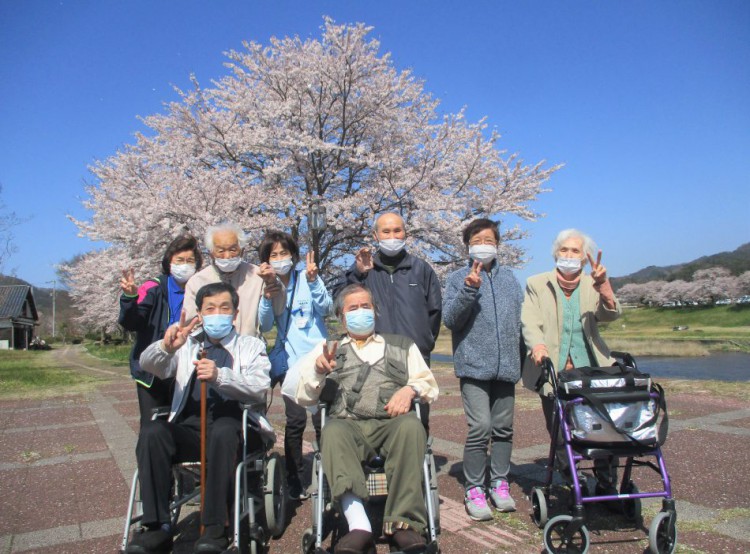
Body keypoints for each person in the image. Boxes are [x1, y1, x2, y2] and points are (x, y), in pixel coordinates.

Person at [292, 283, 439, 554]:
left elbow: (429, 384)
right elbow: (304, 397)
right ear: (341, 316)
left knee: (412, 426)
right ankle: (359, 526)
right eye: (353, 308)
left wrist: (410, 389)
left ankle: (403, 526)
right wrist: (317, 371)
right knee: (332, 431)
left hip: (391, 423)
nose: (361, 312)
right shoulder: (328, 349)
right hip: (348, 425)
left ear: (375, 310)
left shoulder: (402, 345)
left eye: (366, 306)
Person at [126, 282, 271, 554]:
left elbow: (259, 385)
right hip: (191, 429)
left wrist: (220, 376)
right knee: (153, 432)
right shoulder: (188, 344)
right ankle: (157, 526)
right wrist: (166, 347)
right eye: (210, 308)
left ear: (235, 314)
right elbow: (149, 365)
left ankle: (216, 527)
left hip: (237, 428)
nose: (218, 314)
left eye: (224, 308)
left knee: (223, 431)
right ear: (201, 315)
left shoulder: (251, 345)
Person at [521, 228, 622, 497]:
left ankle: (606, 482)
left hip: (592, 369)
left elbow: (609, 315)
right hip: (552, 370)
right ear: (556, 253)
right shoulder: (536, 282)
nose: (568, 255)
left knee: (605, 426)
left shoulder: (592, 283)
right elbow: (530, 321)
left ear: (585, 257)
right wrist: (537, 345)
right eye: (564, 250)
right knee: (559, 428)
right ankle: (571, 480)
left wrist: (604, 286)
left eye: (575, 251)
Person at [442, 218, 523, 521]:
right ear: (467, 245)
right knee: (480, 428)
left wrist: (525, 360)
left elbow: (519, 322)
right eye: (477, 240)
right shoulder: (456, 278)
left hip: (507, 367)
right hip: (473, 366)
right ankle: (474, 488)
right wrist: (468, 290)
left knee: (503, 429)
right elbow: (450, 320)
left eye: (489, 240)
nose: (484, 245)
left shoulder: (511, 280)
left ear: (498, 245)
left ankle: (499, 483)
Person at [343, 212, 442, 429]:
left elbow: (435, 312)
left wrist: (424, 341)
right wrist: (357, 273)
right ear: (375, 235)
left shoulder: (421, 269)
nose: (392, 236)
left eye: (397, 230)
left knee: (417, 417)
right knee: (376, 414)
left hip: (415, 355)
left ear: (405, 233)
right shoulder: (365, 271)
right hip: (375, 355)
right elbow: (342, 304)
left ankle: (416, 459)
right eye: (386, 231)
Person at [257, 230, 332, 500]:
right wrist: (267, 296)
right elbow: (265, 325)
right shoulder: (270, 286)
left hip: (319, 359)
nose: (279, 259)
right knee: (296, 421)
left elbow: (327, 308)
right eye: (273, 255)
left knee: (324, 420)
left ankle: (331, 472)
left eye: (284, 253)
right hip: (291, 363)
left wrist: (314, 281)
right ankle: (294, 478)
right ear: (265, 261)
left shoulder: (307, 278)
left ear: (293, 255)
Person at [119, 235, 203, 424]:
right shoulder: (153, 288)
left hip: (188, 368)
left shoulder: (201, 289)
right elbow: (132, 322)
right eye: (179, 260)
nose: (185, 265)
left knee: (184, 424)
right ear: (169, 262)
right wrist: (129, 298)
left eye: (190, 260)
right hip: (153, 370)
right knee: (153, 426)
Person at [183, 222, 286, 336]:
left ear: (242, 251)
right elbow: (191, 323)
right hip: (211, 350)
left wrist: (272, 282)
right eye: (221, 251)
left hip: (249, 347)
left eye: (233, 249)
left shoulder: (258, 276)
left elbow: (278, 310)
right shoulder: (197, 281)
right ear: (211, 253)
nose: (227, 256)